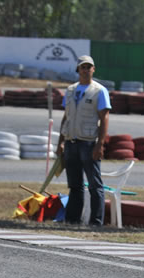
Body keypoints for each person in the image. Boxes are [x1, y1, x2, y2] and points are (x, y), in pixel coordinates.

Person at [57, 55, 111, 227]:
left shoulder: (99, 91)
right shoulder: (70, 90)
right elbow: (66, 116)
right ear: (78, 70)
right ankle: (72, 219)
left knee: (94, 184)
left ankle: (96, 221)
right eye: (83, 67)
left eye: (89, 67)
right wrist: (60, 141)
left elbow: (104, 118)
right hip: (71, 141)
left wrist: (100, 144)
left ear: (93, 69)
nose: (86, 70)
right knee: (74, 184)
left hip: (88, 142)